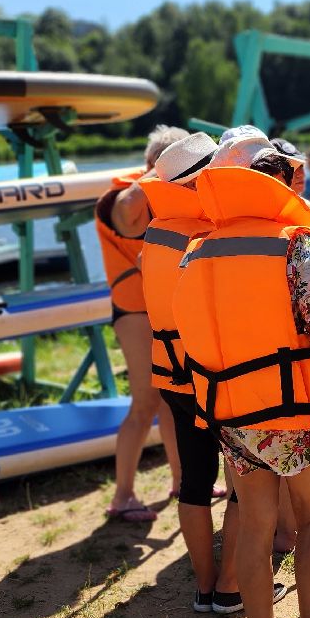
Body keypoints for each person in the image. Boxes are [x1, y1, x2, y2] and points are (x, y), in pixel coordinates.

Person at [172, 128, 310, 618]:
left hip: (234, 415)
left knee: (254, 527)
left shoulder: (197, 250)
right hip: (300, 412)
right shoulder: (296, 243)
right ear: (275, 182)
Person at [139, 133, 269, 614]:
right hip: (209, 377)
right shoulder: (203, 235)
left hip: (169, 376)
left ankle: (204, 586)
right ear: (197, 183)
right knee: (243, 477)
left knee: (194, 480)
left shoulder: (156, 231)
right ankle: (232, 586)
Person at [96, 124, 187, 520]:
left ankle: (183, 481)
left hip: (160, 307)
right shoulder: (122, 196)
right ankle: (123, 496)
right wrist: (164, 168)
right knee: (145, 401)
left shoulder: (163, 198)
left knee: (172, 396)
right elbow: (128, 214)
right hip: (133, 311)